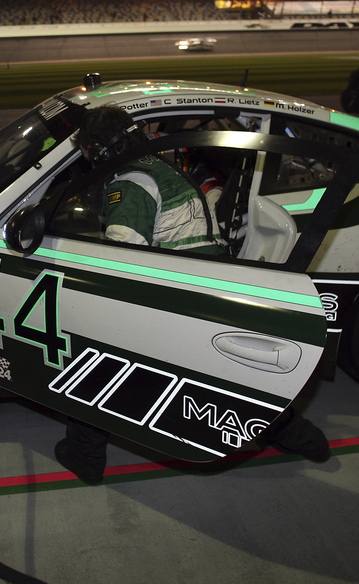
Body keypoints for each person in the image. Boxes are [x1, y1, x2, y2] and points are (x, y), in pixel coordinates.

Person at [53, 105, 330, 485]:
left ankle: (84, 457)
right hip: (208, 283)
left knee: (95, 363)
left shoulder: (130, 182)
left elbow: (118, 261)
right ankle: (306, 439)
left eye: (86, 149)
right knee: (233, 387)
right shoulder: (158, 167)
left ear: (98, 149)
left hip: (182, 295)